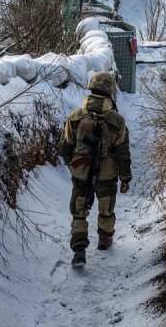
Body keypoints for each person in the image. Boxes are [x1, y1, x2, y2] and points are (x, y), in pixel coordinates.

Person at [59, 71, 132, 267]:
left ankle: (79, 250)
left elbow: (65, 147)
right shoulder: (117, 121)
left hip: (81, 174)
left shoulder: (75, 116)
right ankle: (105, 241)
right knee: (106, 209)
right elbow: (123, 154)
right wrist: (125, 178)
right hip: (107, 176)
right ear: (111, 92)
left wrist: (75, 167)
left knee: (79, 210)